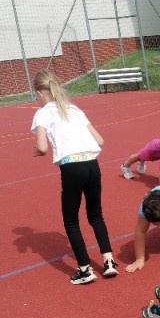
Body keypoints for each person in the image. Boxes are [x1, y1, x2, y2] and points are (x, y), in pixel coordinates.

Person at [31, 70, 118, 285]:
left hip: (71, 168)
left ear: (41, 93)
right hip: (92, 165)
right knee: (96, 215)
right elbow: (100, 140)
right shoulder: (75, 109)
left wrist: (39, 151)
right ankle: (108, 261)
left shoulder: (42, 113)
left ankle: (85, 269)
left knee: (71, 220)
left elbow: (42, 146)